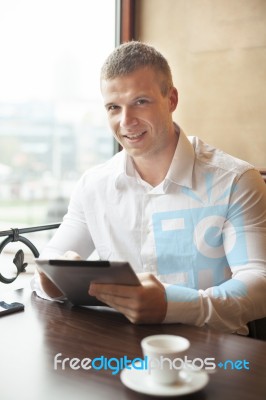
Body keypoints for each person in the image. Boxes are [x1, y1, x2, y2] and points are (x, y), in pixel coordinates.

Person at [34, 41, 266, 335]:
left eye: (140, 102)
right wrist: (51, 281)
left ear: (171, 99)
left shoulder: (235, 179)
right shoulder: (93, 185)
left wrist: (173, 305)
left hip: (216, 352)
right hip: (120, 351)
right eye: (113, 107)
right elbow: (47, 266)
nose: (126, 121)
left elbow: (259, 282)